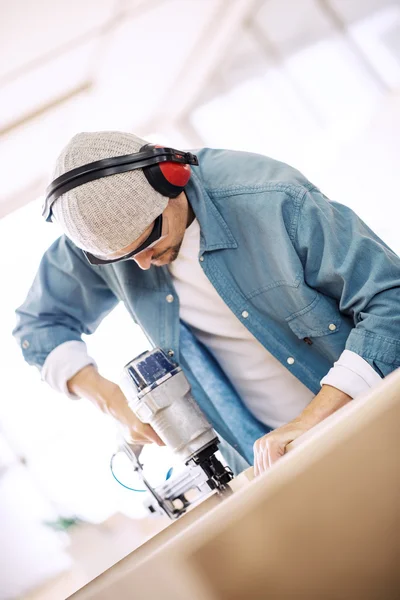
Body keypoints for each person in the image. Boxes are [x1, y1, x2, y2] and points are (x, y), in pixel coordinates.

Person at [13, 131, 400, 477]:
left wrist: (312, 421)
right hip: (270, 466)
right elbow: (38, 326)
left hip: (375, 424)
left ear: (171, 179)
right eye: (124, 258)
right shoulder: (102, 234)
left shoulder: (271, 197)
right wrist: (113, 401)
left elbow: (390, 301)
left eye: (147, 242)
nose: (142, 263)